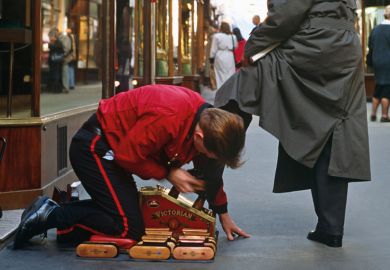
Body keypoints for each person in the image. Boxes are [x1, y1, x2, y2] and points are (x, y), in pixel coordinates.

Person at [13, 84, 250, 249]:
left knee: (136, 220)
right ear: (199, 137)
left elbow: (211, 172)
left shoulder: (206, 123)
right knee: (127, 227)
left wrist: (223, 214)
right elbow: (128, 156)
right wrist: (169, 173)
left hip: (114, 153)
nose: (207, 157)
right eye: (209, 153)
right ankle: (49, 214)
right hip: (94, 149)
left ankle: (69, 228)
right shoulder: (170, 114)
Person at [214, 0, 370, 248]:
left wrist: (250, 50)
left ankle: (206, 172)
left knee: (241, 87)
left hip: (311, 47)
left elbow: (285, 15)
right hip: (346, 50)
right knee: (333, 133)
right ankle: (331, 228)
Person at [366, 5, 390, 122]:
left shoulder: (375, 30)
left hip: (377, 62)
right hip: (388, 63)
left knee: (379, 86)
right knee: (387, 89)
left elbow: (370, 46)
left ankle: (373, 114)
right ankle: (385, 115)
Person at [209, 21, 237, 90]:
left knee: (220, 76)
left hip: (220, 56)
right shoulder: (233, 37)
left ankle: (221, 91)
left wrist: (211, 60)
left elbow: (213, 49)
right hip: (230, 56)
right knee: (230, 74)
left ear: (221, 28)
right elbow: (236, 46)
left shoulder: (217, 36)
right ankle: (229, 91)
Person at [47, 28, 64, 93]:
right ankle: (57, 88)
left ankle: (56, 88)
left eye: (50, 36)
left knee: (55, 74)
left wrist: (51, 43)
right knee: (57, 73)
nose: (50, 38)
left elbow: (51, 47)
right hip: (58, 60)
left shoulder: (56, 43)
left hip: (55, 60)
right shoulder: (59, 42)